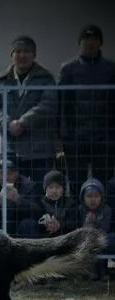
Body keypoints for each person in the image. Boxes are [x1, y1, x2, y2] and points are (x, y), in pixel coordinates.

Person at [0, 35, 58, 183]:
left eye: (27, 51)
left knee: (40, 195)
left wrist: (23, 123)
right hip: (11, 151)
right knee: (13, 198)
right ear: (12, 55)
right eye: (18, 51)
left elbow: (49, 105)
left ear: (34, 55)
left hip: (40, 152)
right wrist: (8, 124)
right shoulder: (0, 80)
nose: (22, 55)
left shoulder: (46, 78)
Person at [58, 25, 115, 190]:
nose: (90, 43)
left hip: (104, 138)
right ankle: (76, 215)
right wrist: (62, 136)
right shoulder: (68, 69)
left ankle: (102, 216)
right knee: (76, 184)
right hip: (75, 138)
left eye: (94, 40)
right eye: (86, 40)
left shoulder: (111, 69)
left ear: (100, 43)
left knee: (103, 184)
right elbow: (61, 103)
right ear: (79, 43)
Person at [0, 156, 41, 237]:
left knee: (29, 224)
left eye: (10, 173)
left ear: (17, 173)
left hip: (19, 221)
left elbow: (38, 211)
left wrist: (18, 200)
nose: (6, 177)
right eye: (2, 173)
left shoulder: (27, 184)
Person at [78, 177, 114, 280]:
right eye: (89, 196)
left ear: (101, 197)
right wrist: (87, 223)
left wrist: (96, 222)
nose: (93, 200)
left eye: (96, 196)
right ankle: (90, 269)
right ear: (83, 197)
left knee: (102, 241)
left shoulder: (106, 209)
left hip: (101, 237)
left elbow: (106, 229)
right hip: (85, 239)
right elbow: (79, 228)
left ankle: (103, 270)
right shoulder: (80, 209)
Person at [35, 170, 77, 237]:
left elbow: (73, 223)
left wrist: (60, 225)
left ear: (63, 189)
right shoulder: (39, 203)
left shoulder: (70, 203)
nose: (54, 191)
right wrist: (44, 222)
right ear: (45, 189)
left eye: (58, 187)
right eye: (50, 187)